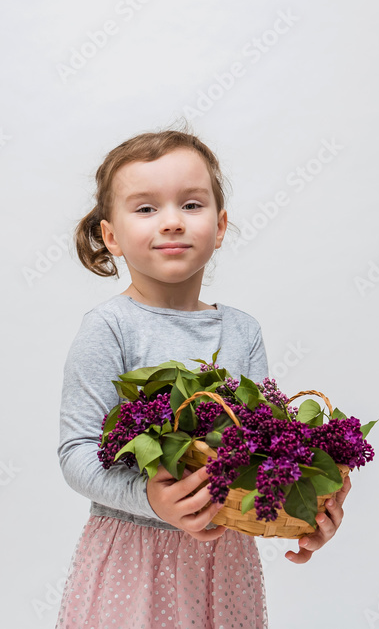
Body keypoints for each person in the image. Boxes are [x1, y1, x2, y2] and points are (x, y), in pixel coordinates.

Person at [55, 126, 352, 628]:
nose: (171, 222)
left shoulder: (242, 331)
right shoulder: (108, 329)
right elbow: (77, 451)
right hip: (134, 556)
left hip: (222, 560)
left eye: (191, 205)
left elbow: (261, 449)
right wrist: (150, 498)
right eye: (146, 208)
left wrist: (305, 508)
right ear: (112, 236)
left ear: (219, 226)